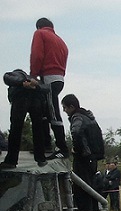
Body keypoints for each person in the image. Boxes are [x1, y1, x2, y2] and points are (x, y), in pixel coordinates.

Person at [29, 18, 69, 160]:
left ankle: (62, 148)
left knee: (52, 112)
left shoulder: (40, 34)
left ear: (39, 26)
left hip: (48, 79)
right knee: (46, 110)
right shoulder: (60, 41)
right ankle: (45, 144)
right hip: (59, 78)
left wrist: (33, 74)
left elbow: (37, 54)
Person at [61, 93, 104, 211]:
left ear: (71, 106)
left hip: (84, 158)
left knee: (81, 187)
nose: (64, 111)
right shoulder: (89, 118)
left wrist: (78, 149)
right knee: (90, 187)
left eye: (65, 107)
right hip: (93, 157)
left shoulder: (77, 117)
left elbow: (76, 132)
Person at [0, 68, 48, 168]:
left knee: (15, 129)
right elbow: (47, 88)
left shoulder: (15, 75)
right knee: (38, 128)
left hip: (20, 97)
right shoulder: (34, 79)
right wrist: (35, 86)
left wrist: (23, 83)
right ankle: (41, 157)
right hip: (36, 99)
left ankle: (11, 161)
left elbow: (6, 77)